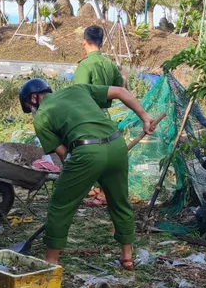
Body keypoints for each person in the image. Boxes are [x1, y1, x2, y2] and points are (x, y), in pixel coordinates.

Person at [18, 78, 155, 267]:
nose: (31, 112)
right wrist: (145, 117)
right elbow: (121, 92)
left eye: (28, 107)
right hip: (117, 146)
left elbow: (65, 156)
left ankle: (50, 261)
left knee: (60, 205)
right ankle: (127, 256)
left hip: (87, 152)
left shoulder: (41, 117)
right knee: (119, 201)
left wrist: (80, 176)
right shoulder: (78, 88)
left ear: (33, 98)